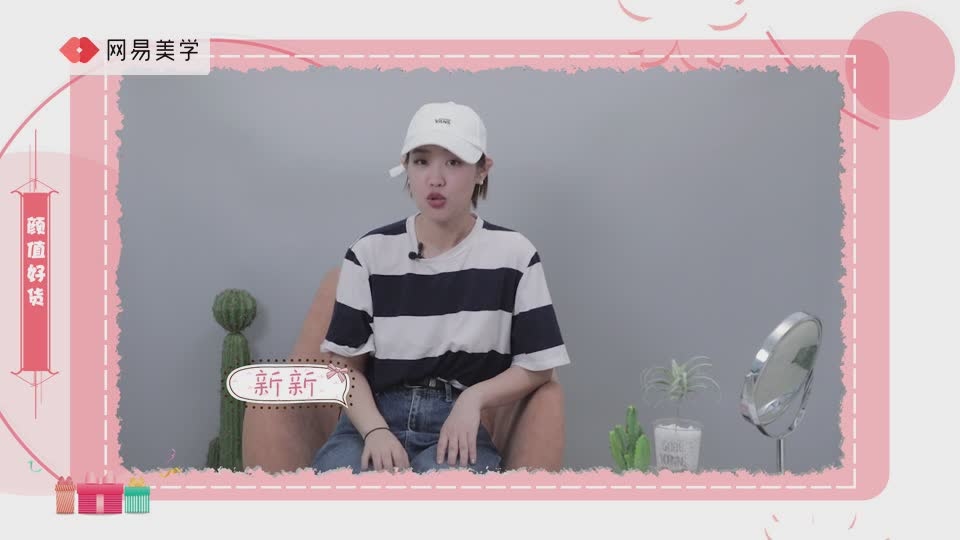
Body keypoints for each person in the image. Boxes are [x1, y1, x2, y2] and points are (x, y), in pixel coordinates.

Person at [312, 101, 570, 474]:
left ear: (483, 170)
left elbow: (539, 366)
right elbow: (343, 365)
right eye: (421, 161)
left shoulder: (514, 255)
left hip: (457, 426)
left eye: (453, 162)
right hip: (371, 419)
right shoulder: (369, 253)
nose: (435, 179)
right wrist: (375, 431)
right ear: (406, 167)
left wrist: (473, 400)